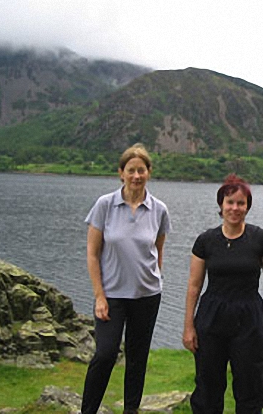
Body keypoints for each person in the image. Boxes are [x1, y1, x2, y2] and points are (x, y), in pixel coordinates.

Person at [81, 143, 171, 414]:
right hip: (112, 296)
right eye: (130, 170)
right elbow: (92, 254)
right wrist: (99, 295)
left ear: (149, 172)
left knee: (137, 358)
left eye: (141, 170)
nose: (136, 176)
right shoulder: (105, 205)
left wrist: (154, 279)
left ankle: (130, 410)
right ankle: (88, 410)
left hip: (147, 296)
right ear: (121, 173)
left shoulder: (159, 210)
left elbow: (158, 250)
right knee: (105, 354)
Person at [182, 174, 263, 414]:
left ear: (247, 206)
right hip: (211, 316)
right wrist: (188, 326)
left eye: (240, 203)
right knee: (208, 383)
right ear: (221, 205)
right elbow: (194, 286)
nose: (235, 208)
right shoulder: (205, 241)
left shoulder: (262, 239)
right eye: (230, 202)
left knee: (251, 382)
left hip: (249, 316)